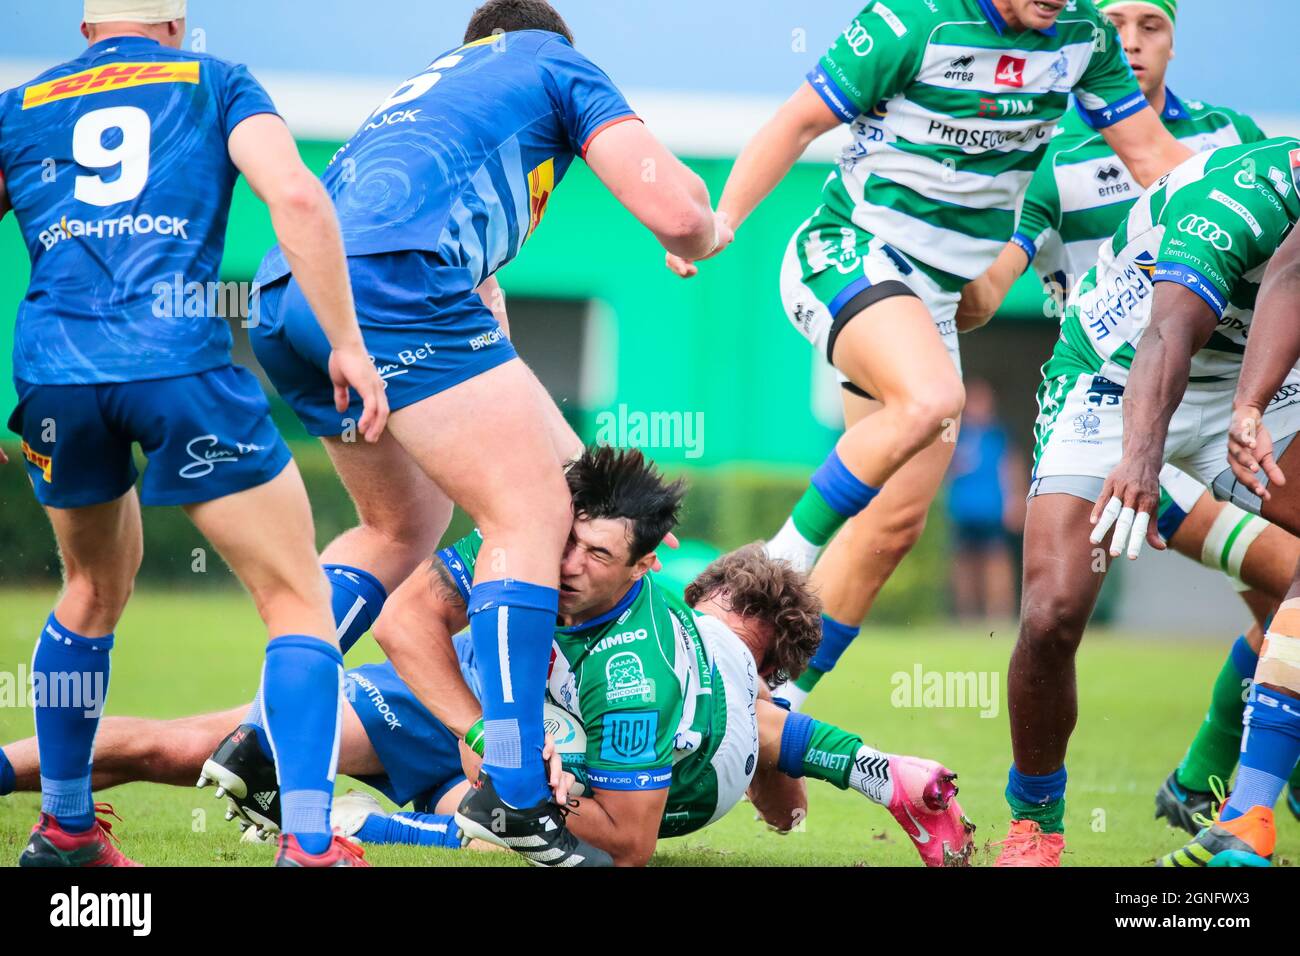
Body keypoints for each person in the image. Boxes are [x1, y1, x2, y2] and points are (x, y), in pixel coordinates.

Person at [0, 451, 976, 867]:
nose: (562, 569)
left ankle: (374, 822)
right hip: (451, 707)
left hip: (538, 760)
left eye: (594, 555)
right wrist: (480, 734)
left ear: (646, 563)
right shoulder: (532, 541)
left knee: (499, 825)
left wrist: (513, 781)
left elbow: (632, 838)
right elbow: (406, 615)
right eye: (566, 542)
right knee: (190, 742)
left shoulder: (639, 669)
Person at [666, 0, 1193, 713]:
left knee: (893, 527)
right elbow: (798, 121)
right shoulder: (910, 22)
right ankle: (763, 569)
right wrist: (723, 218)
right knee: (933, 398)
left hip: (930, 302)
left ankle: (770, 705)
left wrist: (1263, 204)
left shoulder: (1084, 37)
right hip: (848, 254)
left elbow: (1156, 158)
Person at [0, 0, 388, 867]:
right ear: (175, 25)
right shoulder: (216, 80)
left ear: (87, 31)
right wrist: (350, 347)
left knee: (90, 590)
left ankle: (64, 826)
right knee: (297, 601)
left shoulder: (20, 104)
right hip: (176, 362)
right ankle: (312, 846)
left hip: (56, 375)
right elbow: (294, 193)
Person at [996, 135, 1300, 866]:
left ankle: (1245, 810)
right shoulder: (1235, 198)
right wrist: (1140, 462)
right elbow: (1168, 333)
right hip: (1119, 372)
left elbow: (1290, 279)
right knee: (1052, 612)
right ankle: (1035, 821)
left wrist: (1252, 406)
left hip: (1247, 382)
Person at [946, 379, 1024, 623]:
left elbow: (1012, 466)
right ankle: (967, 615)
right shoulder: (955, 434)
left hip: (992, 507)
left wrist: (1016, 500)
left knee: (996, 561)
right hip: (962, 508)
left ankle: (998, 615)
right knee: (964, 563)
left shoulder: (1000, 434)